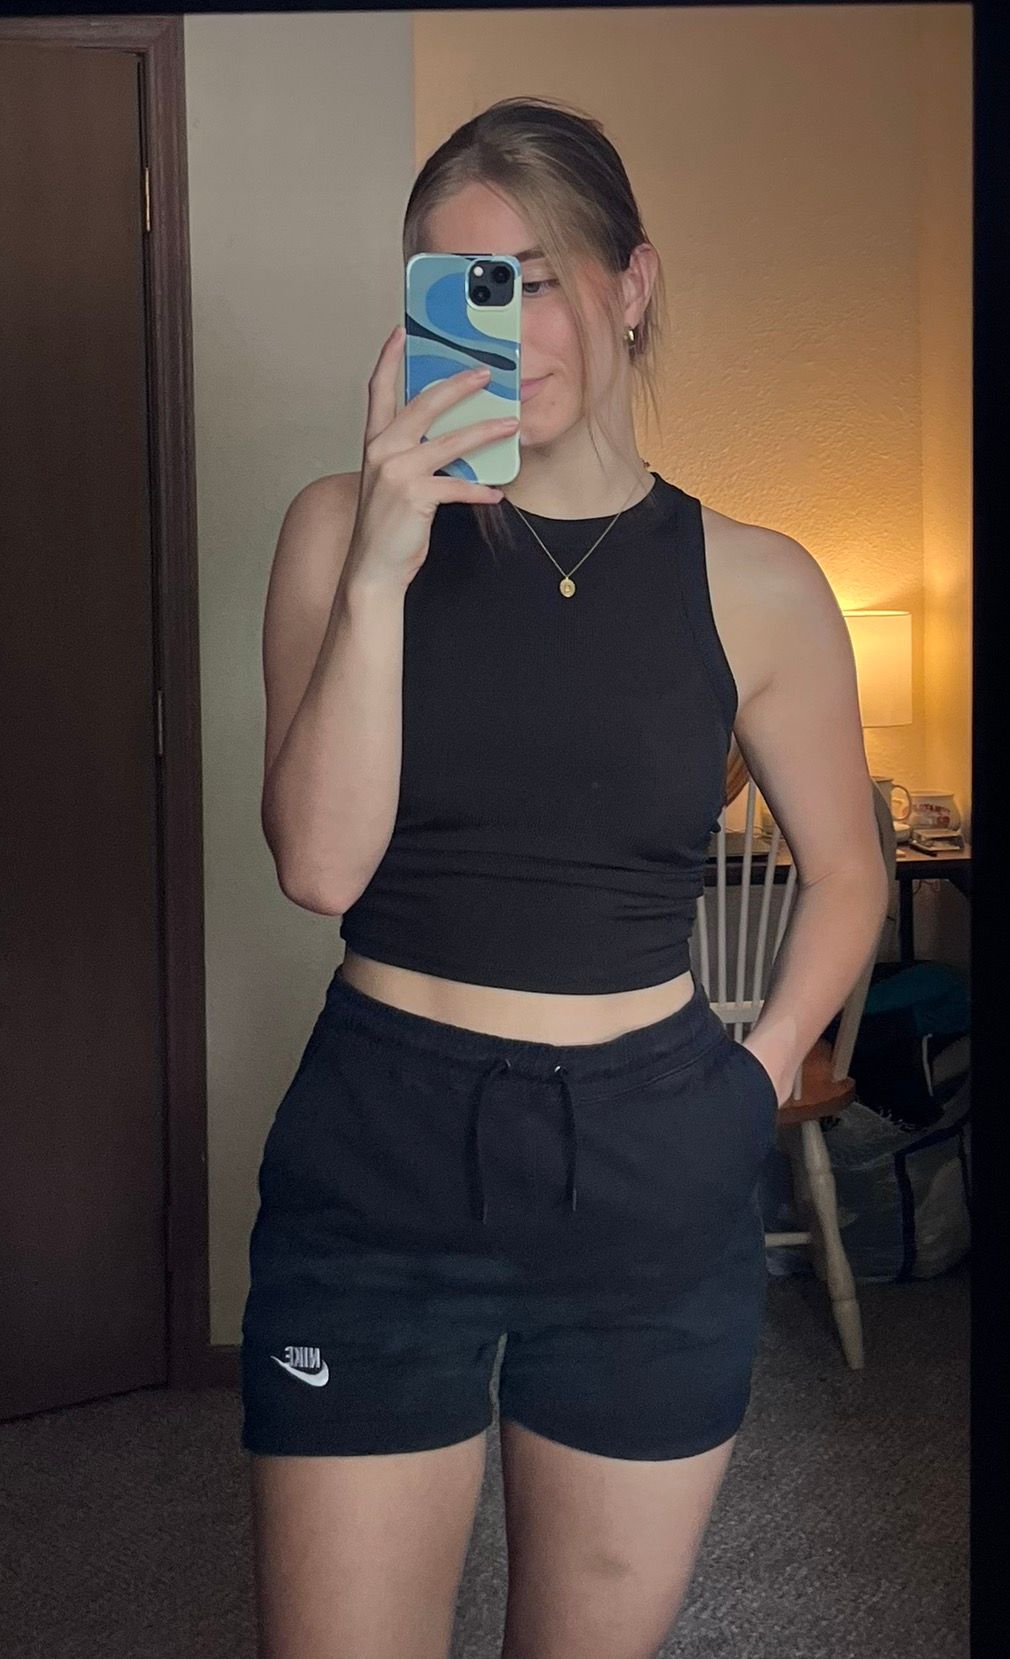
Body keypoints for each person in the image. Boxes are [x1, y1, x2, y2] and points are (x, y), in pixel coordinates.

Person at [241, 95, 889, 1659]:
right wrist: (386, 564)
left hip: (648, 1154)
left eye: (527, 280)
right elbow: (319, 867)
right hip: (382, 1141)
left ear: (630, 285)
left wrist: (750, 1078)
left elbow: (847, 874)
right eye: (453, 287)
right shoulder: (338, 531)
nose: (496, 327)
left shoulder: (757, 580)